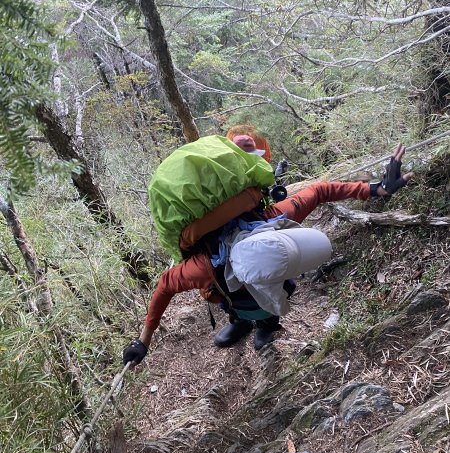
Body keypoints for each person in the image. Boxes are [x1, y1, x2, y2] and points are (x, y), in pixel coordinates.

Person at [123, 144, 413, 366]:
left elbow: (320, 191)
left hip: (264, 294)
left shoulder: (215, 256)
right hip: (234, 299)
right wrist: (375, 189)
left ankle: (266, 326)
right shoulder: (213, 259)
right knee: (236, 306)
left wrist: (376, 189)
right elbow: (319, 192)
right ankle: (242, 324)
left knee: (266, 308)